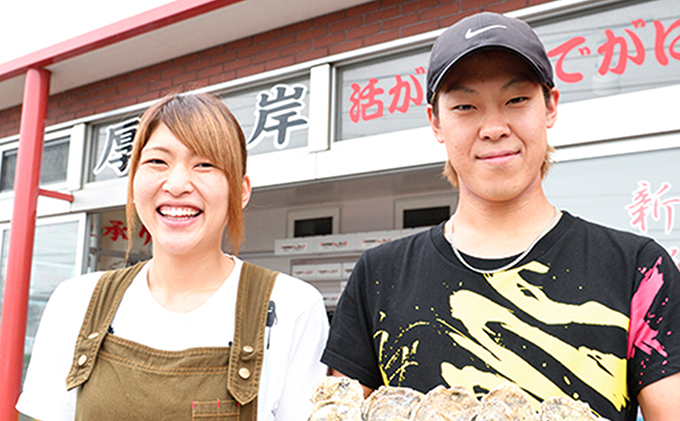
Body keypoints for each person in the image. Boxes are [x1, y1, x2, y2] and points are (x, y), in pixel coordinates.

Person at [321, 12, 680, 421]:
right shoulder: (379, 276)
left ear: (550, 106)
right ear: (436, 122)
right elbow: (338, 410)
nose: (493, 127)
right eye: (465, 106)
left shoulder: (638, 268)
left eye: (516, 100)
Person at [17, 93, 329, 420]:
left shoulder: (292, 306)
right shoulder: (76, 301)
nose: (177, 184)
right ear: (134, 182)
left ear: (242, 190)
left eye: (205, 164)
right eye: (157, 162)